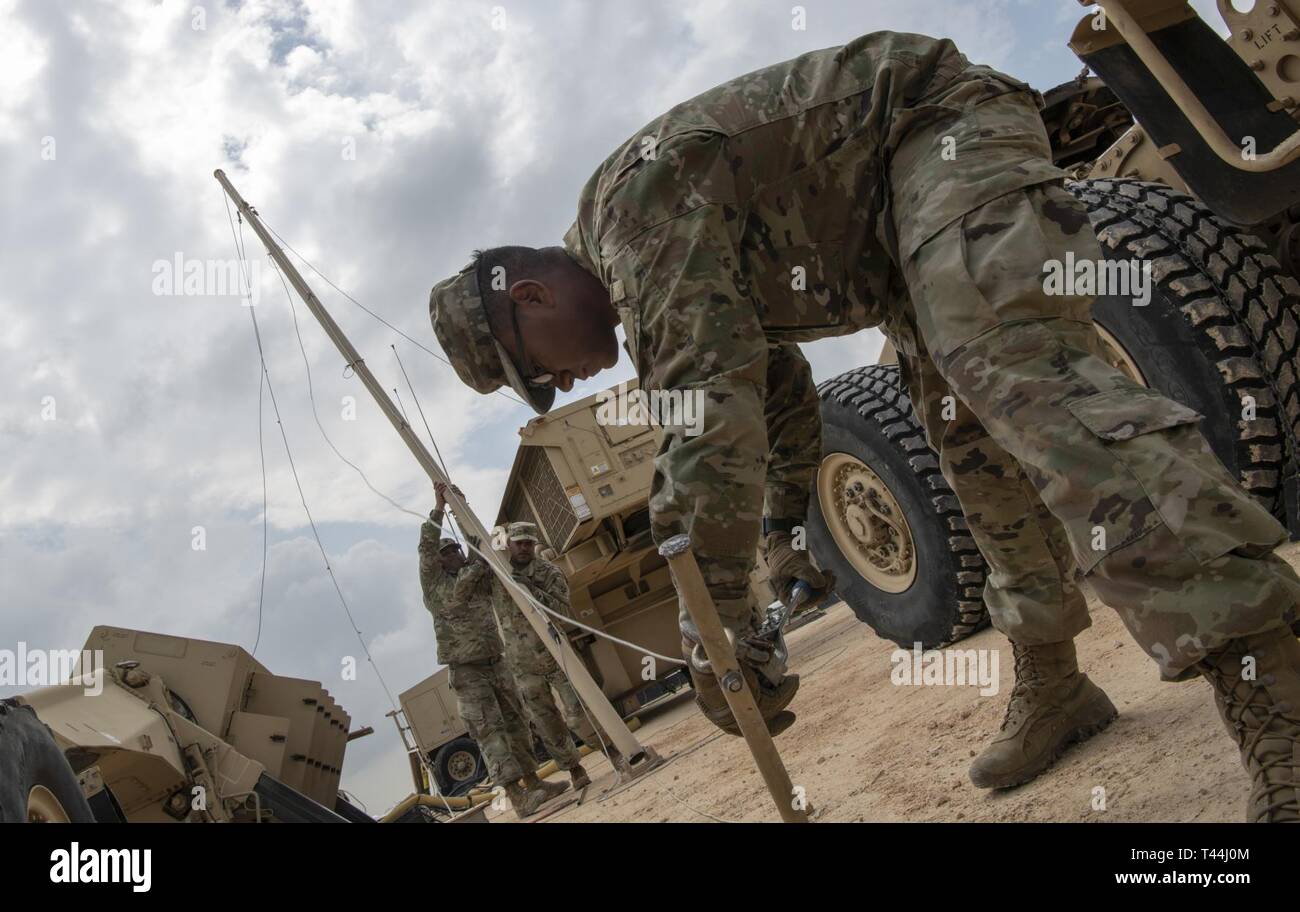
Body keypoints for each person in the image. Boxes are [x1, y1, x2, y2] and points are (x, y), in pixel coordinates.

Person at [428, 33, 1300, 821]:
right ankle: (1055, 679)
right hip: (895, 238)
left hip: (940, 128)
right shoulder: (647, 258)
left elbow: (706, 409)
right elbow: (774, 396)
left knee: (1022, 378)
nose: (569, 380)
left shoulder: (633, 221)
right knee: (968, 447)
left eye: (539, 370)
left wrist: (711, 618)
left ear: (533, 296)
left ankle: (1270, 692)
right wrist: (775, 540)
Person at [419, 482, 568, 817]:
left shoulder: (475, 573)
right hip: (467, 670)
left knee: (516, 723)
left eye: (454, 549)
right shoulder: (436, 587)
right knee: (490, 731)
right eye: (445, 554)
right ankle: (517, 797)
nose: (452, 555)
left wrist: (462, 507)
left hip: (495, 661)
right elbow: (427, 548)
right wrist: (439, 508)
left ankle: (535, 783)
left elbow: (480, 548)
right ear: (437, 562)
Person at [493, 521, 630, 789]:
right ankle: (575, 771)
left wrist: (529, 589)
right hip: (522, 665)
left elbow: (562, 609)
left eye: (528, 543)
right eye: (518, 542)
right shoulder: (499, 575)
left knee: (580, 712)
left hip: (555, 655)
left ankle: (614, 753)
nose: (523, 548)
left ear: (534, 544)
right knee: (546, 723)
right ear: (508, 544)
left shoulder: (548, 572)